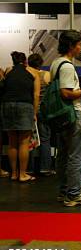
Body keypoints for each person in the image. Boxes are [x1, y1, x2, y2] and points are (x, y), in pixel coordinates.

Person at [50, 30, 81, 206]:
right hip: (72, 113)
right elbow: (66, 93)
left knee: (63, 154)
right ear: (71, 46)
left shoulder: (55, 63)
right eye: (79, 44)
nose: (80, 47)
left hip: (60, 116)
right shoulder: (67, 66)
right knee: (77, 155)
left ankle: (63, 192)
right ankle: (74, 194)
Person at [0, 51, 40, 182]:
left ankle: (13, 173)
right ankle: (23, 174)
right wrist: (34, 112)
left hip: (7, 105)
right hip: (24, 105)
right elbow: (35, 95)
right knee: (23, 142)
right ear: (26, 61)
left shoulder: (7, 71)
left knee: (12, 142)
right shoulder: (33, 72)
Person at [27, 53, 53, 176]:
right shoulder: (46, 74)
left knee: (30, 139)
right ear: (41, 63)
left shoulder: (28, 74)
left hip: (30, 109)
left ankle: (29, 168)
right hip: (44, 110)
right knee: (45, 139)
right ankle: (45, 168)